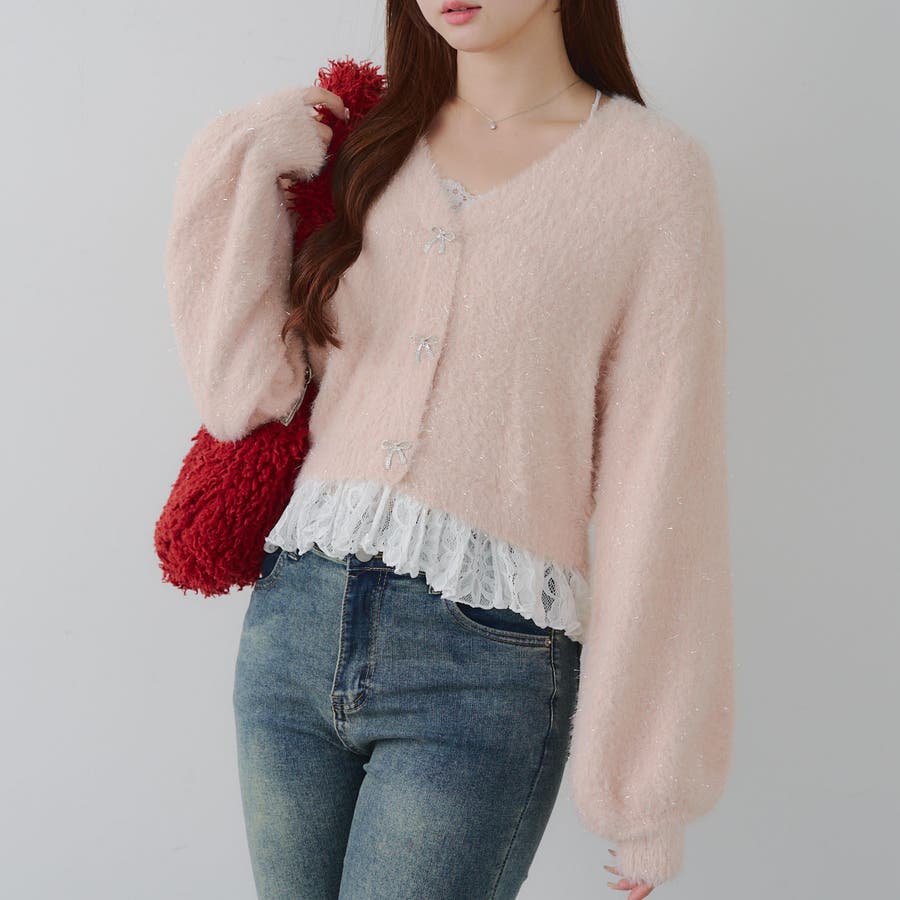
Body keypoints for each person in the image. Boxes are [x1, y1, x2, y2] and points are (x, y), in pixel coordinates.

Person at [163, 2, 735, 898]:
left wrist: (646, 785)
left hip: (484, 663)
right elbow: (243, 391)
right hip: (292, 628)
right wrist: (245, 157)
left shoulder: (653, 174)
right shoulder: (365, 140)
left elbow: (662, 476)